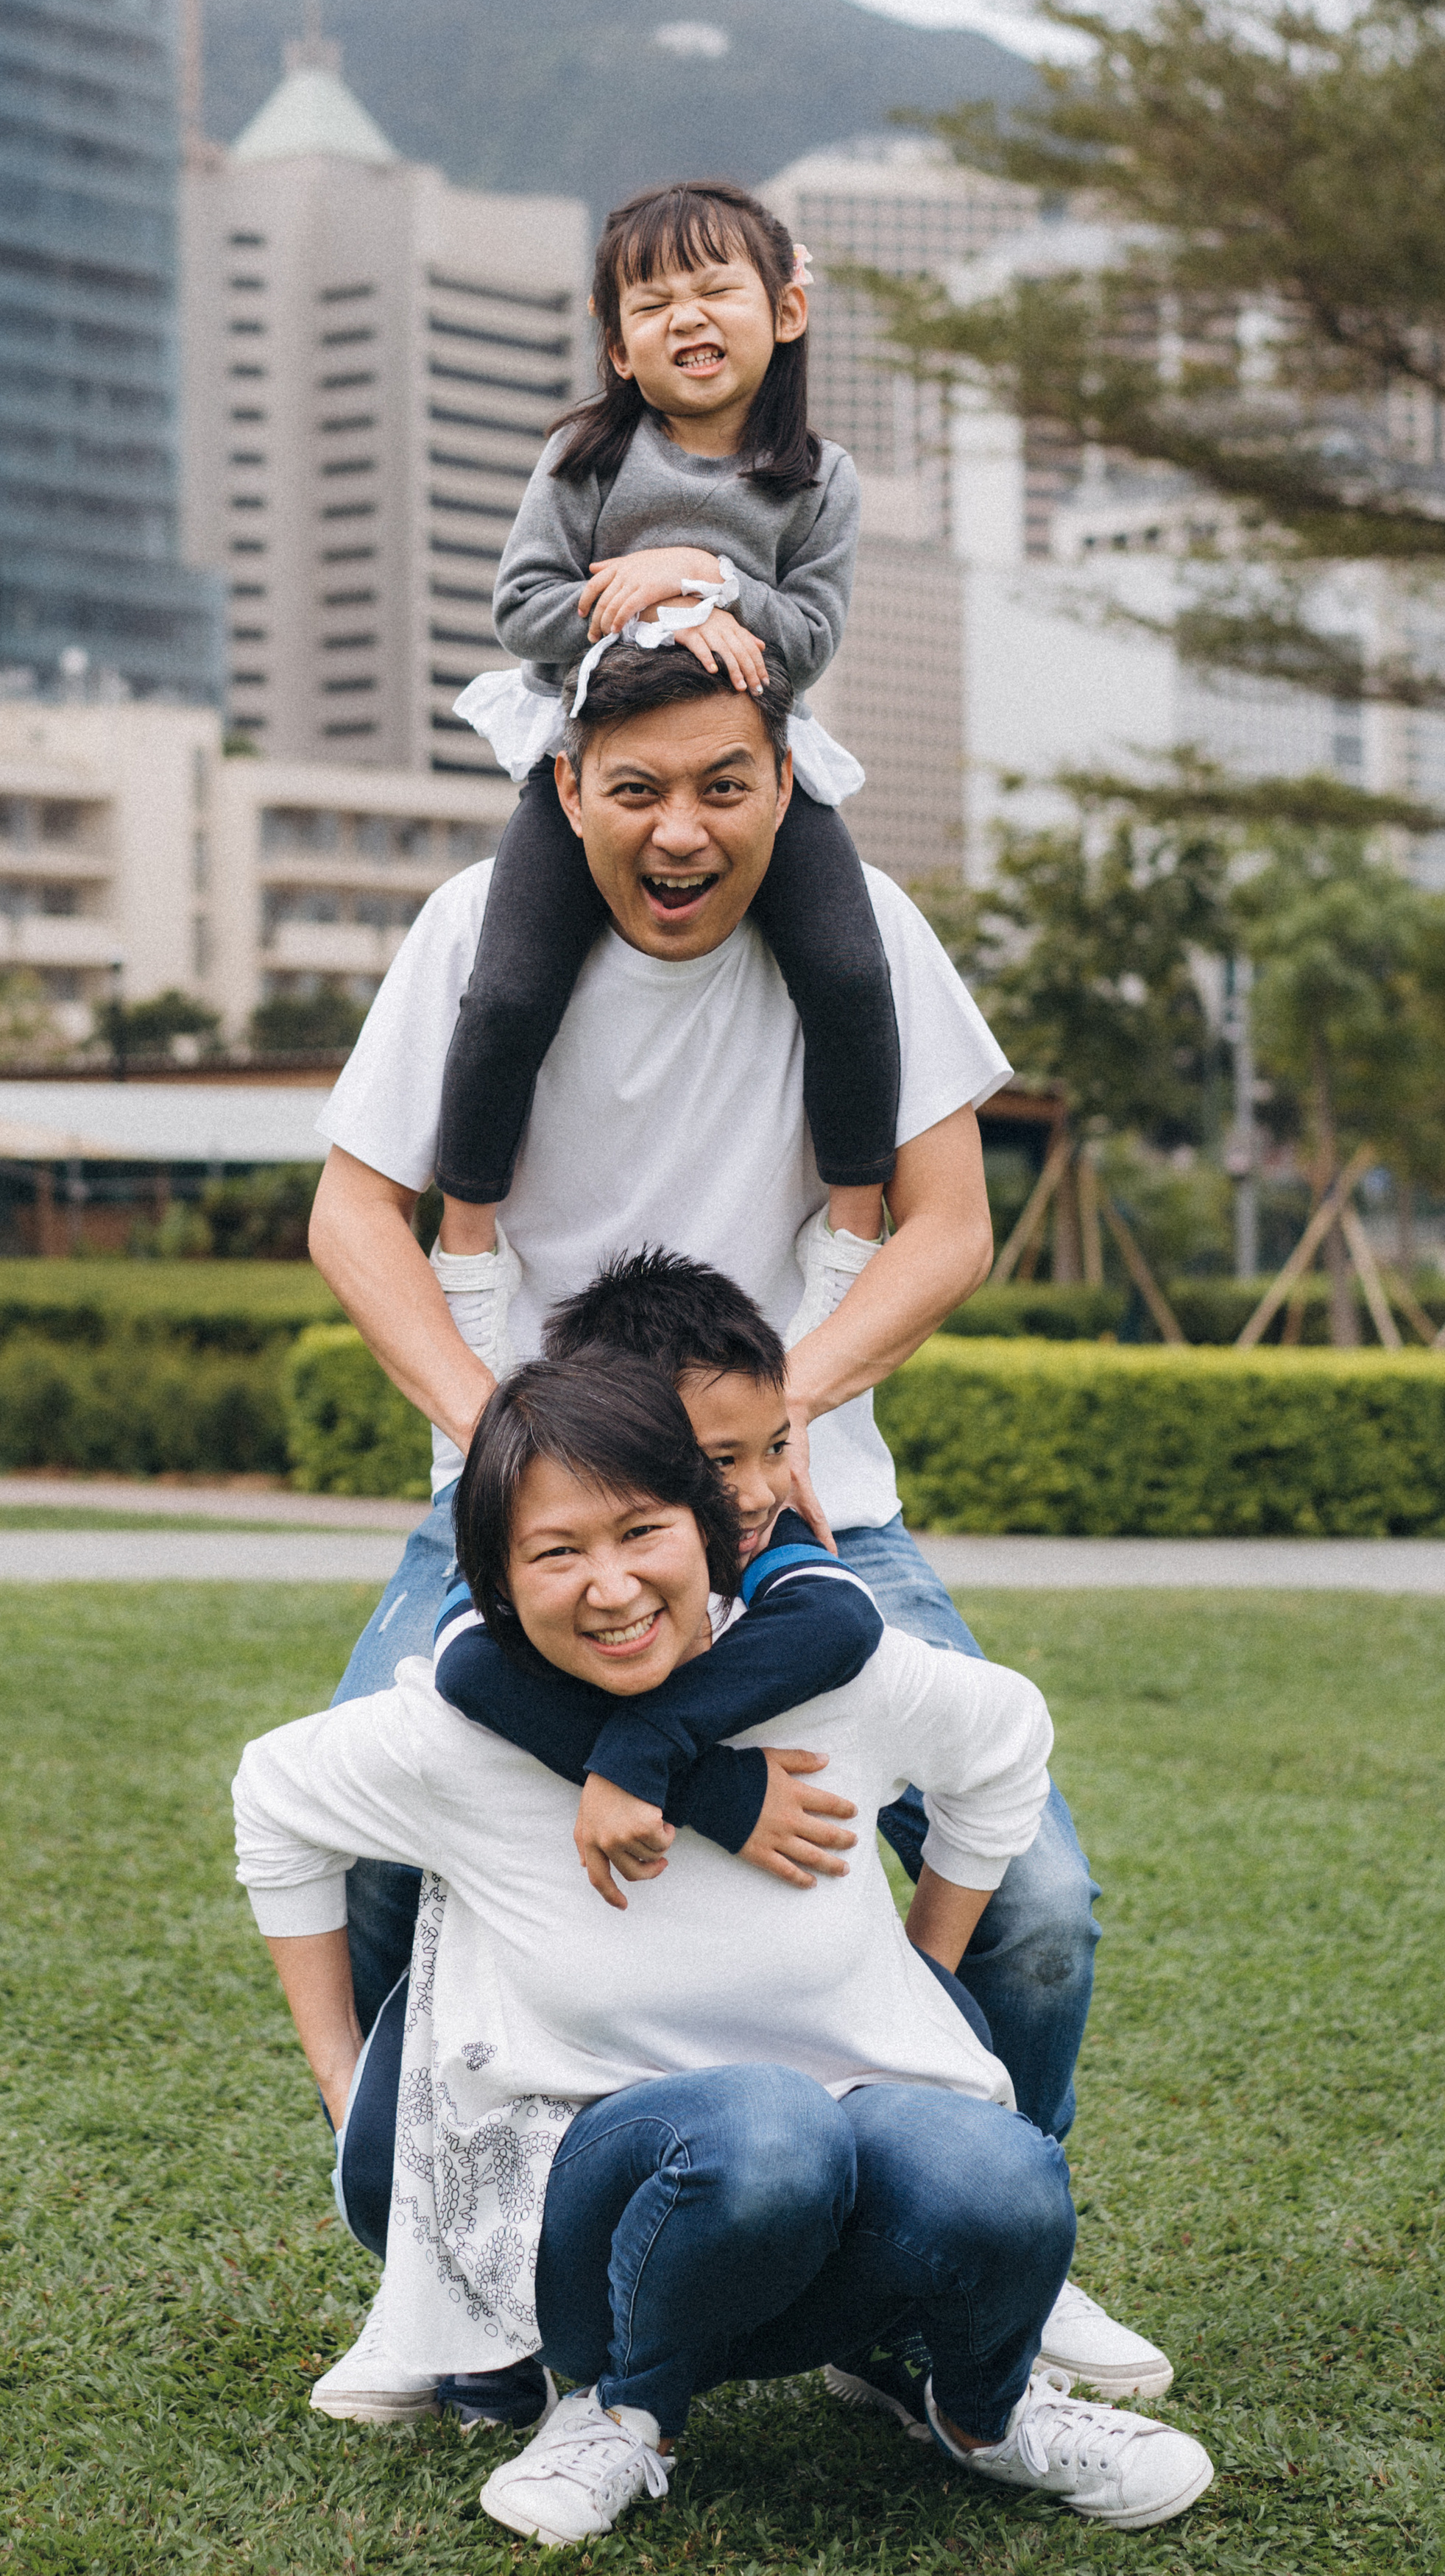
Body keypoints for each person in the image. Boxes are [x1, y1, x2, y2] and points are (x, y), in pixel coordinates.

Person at [305, 627, 1166, 2388]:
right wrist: (504, 1439)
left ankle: (967, 2235)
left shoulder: (869, 942)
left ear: (789, 783)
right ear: (568, 789)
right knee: (373, 1847)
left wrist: (777, 1426)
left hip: (816, 1520)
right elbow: (348, 1214)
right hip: (535, 1526)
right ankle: (442, 2251)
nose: (680, 829)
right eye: (636, 790)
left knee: (1039, 1902)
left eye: (724, 784)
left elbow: (946, 1225)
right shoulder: (471, 933)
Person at [233, 1357, 1216, 2545]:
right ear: (493, 1582)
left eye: (643, 1532)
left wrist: (928, 1975)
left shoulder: (836, 1676)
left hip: (830, 2184)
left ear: (714, 1528)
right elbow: (272, 1799)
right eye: (556, 1553)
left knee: (999, 2173)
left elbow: (1008, 1737)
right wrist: (344, 2082)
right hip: (588, 2217)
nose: (611, 1588)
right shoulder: (458, 1734)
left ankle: (984, 2410)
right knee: (766, 2129)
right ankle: (622, 2410)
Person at [437, 177, 897, 1268]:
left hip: (751, 774)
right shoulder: (585, 461)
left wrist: (703, 573)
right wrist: (661, 606)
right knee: (505, 993)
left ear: (786, 309)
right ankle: (465, 1250)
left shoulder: (822, 480)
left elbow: (808, 642)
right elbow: (524, 615)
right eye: (651, 305)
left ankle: (852, 1235)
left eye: (714, 290)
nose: (685, 317)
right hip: (601, 770)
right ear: (617, 347)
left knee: (849, 974)